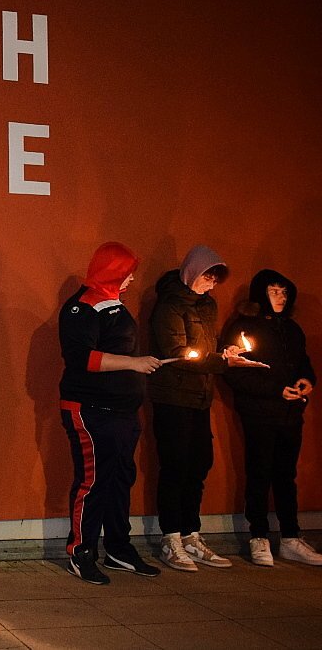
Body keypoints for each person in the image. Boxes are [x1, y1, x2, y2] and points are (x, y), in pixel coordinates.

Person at [147, 244, 258, 573]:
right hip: (173, 398)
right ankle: (171, 538)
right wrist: (222, 363)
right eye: (207, 277)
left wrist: (226, 351)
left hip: (200, 397)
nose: (211, 284)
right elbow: (178, 353)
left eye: (215, 279)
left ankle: (190, 533)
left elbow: (205, 346)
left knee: (199, 463)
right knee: (175, 465)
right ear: (192, 272)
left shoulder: (207, 305)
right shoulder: (169, 304)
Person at [58, 242, 162, 584]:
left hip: (123, 411)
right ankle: (81, 551)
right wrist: (134, 363)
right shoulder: (81, 307)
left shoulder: (114, 303)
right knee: (93, 481)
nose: (131, 278)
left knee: (120, 480)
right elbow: (82, 358)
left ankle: (118, 548)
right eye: (126, 272)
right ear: (111, 271)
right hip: (91, 410)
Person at [222, 269, 321, 567]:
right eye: (274, 291)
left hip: (290, 413)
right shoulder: (244, 327)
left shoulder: (291, 329)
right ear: (261, 294)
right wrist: (277, 390)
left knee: (286, 476)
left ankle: (290, 537)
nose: (281, 297)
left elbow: (303, 363)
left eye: (284, 291)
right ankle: (259, 536)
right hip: (259, 413)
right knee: (259, 473)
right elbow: (235, 373)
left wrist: (307, 380)